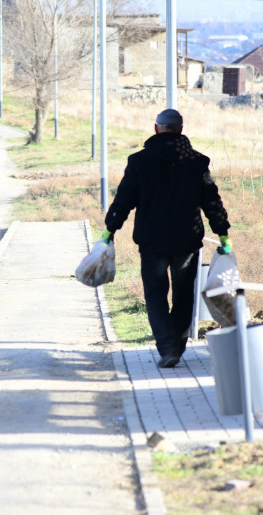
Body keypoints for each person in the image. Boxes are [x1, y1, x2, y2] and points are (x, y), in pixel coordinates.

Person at [103, 109, 232, 369]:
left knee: (155, 295)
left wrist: (110, 230)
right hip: (186, 241)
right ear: (181, 129)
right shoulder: (197, 162)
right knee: (184, 296)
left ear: (156, 128)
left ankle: (167, 347)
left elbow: (124, 199)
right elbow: (211, 200)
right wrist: (223, 233)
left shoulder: (140, 161)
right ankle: (177, 345)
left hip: (152, 242)